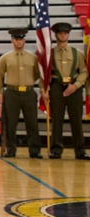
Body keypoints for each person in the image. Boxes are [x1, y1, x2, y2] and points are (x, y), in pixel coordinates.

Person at [0, 28, 42, 159]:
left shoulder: (33, 58)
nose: (19, 42)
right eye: (16, 39)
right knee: (10, 123)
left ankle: (34, 150)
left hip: (29, 93)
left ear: (24, 40)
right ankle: (10, 150)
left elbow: (38, 74)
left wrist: (29, 82)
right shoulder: (5, 58)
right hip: (11, 93)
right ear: (12, 40)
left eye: (21, 39)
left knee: (32, 123)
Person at [47, 22, 89, 160]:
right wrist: (45, 90)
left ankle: (80, 150)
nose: (63, 35)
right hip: (57, 87)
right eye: (60, 33)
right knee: (57, 120)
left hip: (74, 88)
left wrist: (76, 85)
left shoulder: (78, 53)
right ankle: (56, 150)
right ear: (55, 34)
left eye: (65, 33)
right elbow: (45, 74)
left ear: (68, 34)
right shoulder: (50, 54)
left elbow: (84, 72)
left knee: (76, 120)